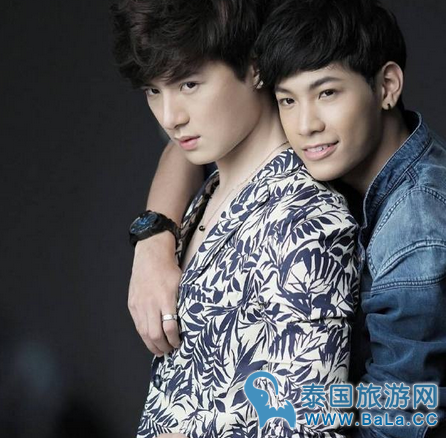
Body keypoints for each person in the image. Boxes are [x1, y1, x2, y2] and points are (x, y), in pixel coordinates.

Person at [111, 0, 359, 436]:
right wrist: (153, 239)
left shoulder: (305, 223)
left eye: (189, 84)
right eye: (153, 91)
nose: (170, 117)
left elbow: (304, 425)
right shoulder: (210, 192)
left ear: (255, 67)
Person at [253, 0, 446, 437]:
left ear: (386, 86)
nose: (305, 125)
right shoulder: (368, 169)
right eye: (287, 100)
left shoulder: (414, 228)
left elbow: (396, 422)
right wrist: (153, 235)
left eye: (327, 93)